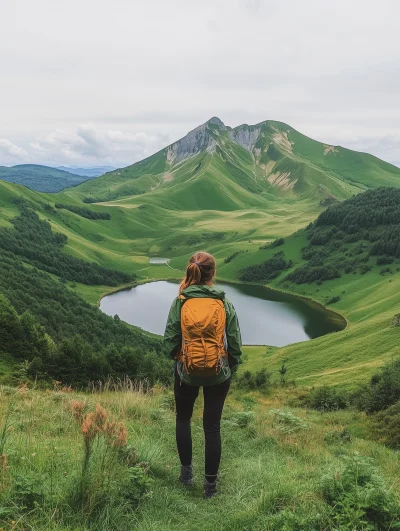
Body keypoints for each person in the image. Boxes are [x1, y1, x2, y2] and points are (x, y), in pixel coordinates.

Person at [164, 251, 242, 498]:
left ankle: (186, 475)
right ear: (213, 274)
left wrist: (182, 359)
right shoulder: (223, 303)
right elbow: (236, 345)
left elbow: (169, 343)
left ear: (191, 271)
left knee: (183, 418)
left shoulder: (181, 301)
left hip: (185, 372)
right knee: (212, 426)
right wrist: (229, 365)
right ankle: (210, 487)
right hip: (219, 373)